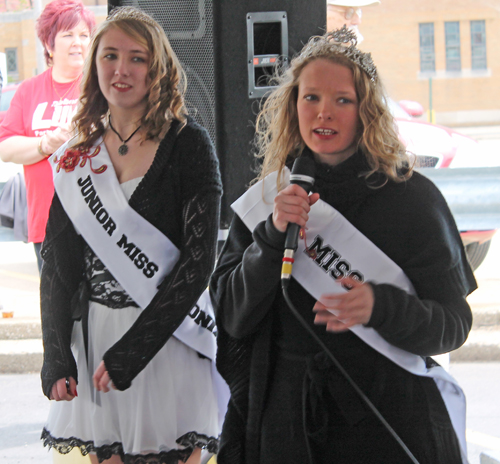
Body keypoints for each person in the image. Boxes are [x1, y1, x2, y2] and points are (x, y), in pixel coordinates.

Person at [210, 27, 477, 464]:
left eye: (342, 100)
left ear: (366, 111)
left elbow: (452, 325)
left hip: (383, 422)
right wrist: (274, 234)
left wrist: (379, 306)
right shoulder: (269, 199)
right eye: (311, 98)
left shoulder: (413, 199)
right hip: (284, 427)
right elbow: (232, 317)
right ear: (293, 105)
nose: (323, 114)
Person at [39, 7, 223, 464]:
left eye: (137, 58)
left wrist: (134, 352)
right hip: (98, 340)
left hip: (170, 340)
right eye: (110, 55)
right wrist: (57, 354)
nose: (121, 70)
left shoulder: (189, 144)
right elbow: (57, 267)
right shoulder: (75, 158)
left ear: (156, 68)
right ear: (95, 64)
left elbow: (198, 263)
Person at [0, 0, 95, 272]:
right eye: (68, 35)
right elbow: (6, 147)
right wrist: (45, 144)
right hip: (47, 225)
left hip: (99, 224)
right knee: (57, 312)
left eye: (84, 35)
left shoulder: (102, 88)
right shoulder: (28, 91)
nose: (78, 42)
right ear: (49, 45)